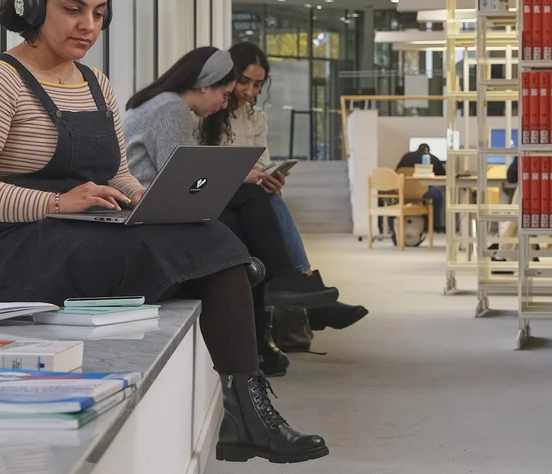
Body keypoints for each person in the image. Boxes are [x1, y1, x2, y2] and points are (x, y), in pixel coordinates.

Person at [0, 0, 325, 464]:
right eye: (72, 8)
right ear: (33, 5)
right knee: (222, 253)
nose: (88, 25)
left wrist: (147, 198)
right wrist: (55, 202)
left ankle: (248, 410)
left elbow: (117, 173)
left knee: (216, 239)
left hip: (79, 227)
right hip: (8, 244)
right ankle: (249, 419)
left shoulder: (95, 83)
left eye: (99, 13)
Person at [122, 46, 350, 378]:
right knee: (250, 203)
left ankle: (263, 334)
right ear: (205, 85)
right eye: (224, 94)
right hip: (154, 211)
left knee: (243, 241)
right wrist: (238, 176)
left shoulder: (165, 104)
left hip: (159, 207)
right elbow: (183, 180)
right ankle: (280, 288)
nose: (224, 104)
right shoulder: (171, 108)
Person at [203, 42, 369, 352]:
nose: (249, 91)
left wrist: (270, 176)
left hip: (245, 192)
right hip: (217, 192)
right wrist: (249, 176)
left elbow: (260, 161)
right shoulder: (209, 109)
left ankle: (302, 285)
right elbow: (206, 164)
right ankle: (306, 284)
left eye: (257, 84)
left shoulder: (254, 117)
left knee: (269, 195)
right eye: (244, 81)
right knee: (262, 199)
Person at [396, 143, 449, 234]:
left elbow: (397, 172)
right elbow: (444, 175)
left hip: (403, 191)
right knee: (438, 193)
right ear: (427, 150)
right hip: (422, 192)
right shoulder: (432, 158)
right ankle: (435, 225)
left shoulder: (406, 157)